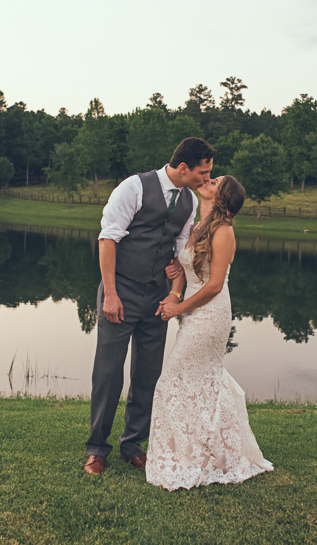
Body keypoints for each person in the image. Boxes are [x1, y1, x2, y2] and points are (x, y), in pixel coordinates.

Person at [84, 137, 215, 475]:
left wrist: (175, 292)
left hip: (158, 298)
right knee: (108, 373)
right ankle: (97, 449)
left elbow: (182, 251)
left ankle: (133, 445)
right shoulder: (134, 188)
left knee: (147, 375)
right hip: (121, 291)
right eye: (203, 172)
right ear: (183, 167)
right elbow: (107, 238)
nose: (206, 178)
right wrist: (110, 295)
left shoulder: (189, 200)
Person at [146, 175, 273, 490]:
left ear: (221, 197)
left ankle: (197, 456)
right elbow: (189, 270)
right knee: (199, 381)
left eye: (215, 181)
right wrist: (176, 277)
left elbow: (215, 285)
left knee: (173, 380)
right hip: (193, 310)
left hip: (210, 314)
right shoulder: (197, 228)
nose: (207, 179)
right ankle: (206, 454)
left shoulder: (224, 231)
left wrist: (180, 308)